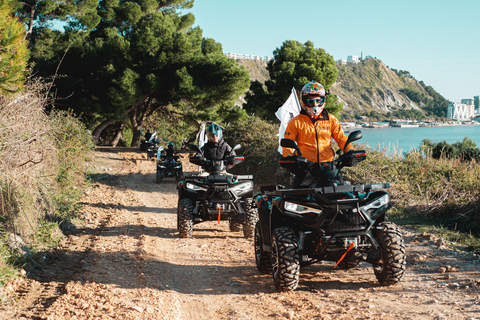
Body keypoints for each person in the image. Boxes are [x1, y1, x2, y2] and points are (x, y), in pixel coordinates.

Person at [282, 80, 354, 188]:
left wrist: (350, 150)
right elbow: (288, 141)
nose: (315, 104)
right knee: (295, 197)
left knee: (342, 194)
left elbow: (341, 138)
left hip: (328, 167)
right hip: (306, 168)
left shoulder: (331, 120)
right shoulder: (295, 122)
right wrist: (288, 158)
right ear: (304, 101)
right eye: (310, 101)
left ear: (323, 100)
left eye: (318, 100)